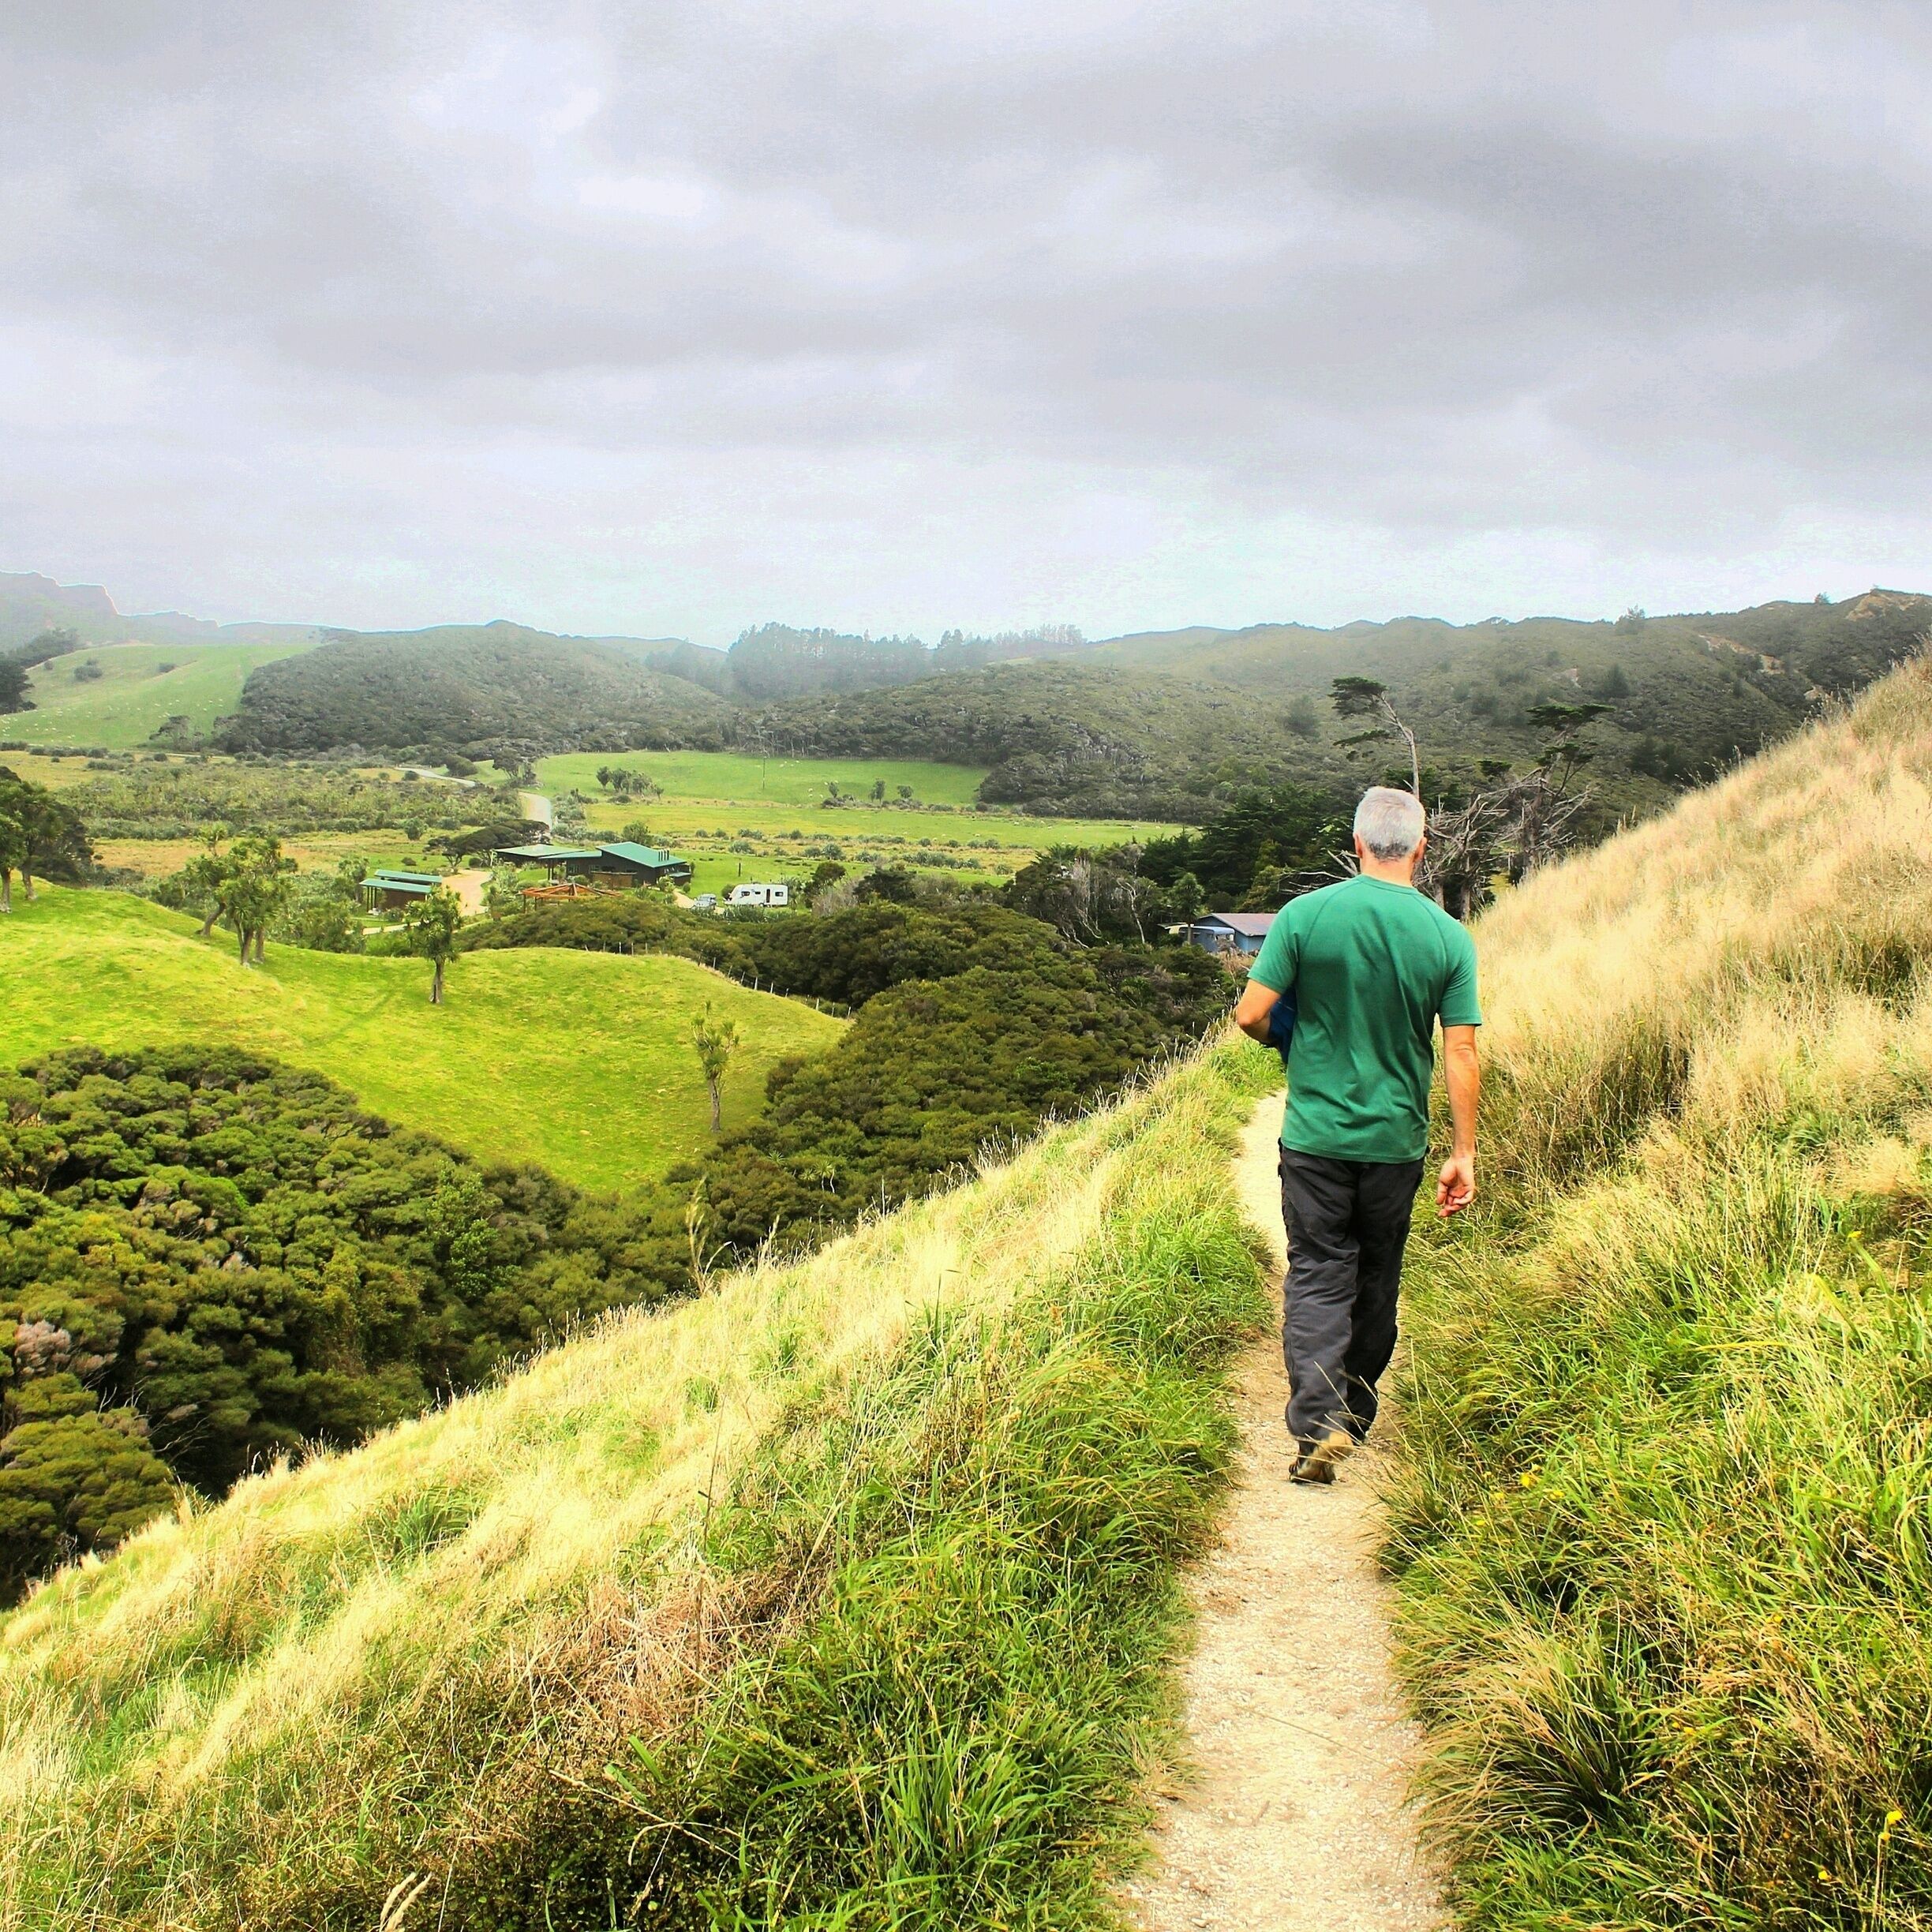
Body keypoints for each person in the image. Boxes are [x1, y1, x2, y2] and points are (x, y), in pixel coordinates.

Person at [1233, 786, 1481, 1485]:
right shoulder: (1446, 936)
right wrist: (1462, 1152)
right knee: (1377, 1278)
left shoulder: (1306, 915)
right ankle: (1353, 1414)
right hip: (1395, 1143)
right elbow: (1461, 1053)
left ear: (1357, 844)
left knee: (1317, 1271)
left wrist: (1291, 1037)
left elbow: (1250, 1014)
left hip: (1315, 1137)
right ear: (1422, 850)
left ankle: (1316, 1424)